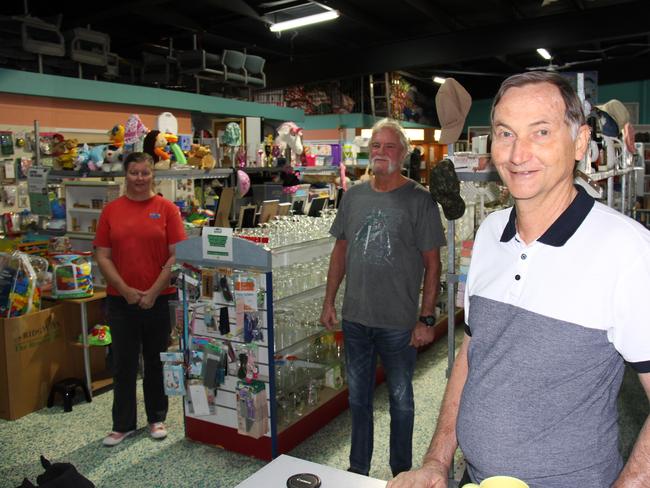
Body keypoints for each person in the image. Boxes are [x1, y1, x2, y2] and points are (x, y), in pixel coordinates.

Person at [389, 71, 650, 488]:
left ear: (580, 142)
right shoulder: (491, 234)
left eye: (541, 132)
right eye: (505, 133)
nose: (517, 153)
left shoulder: (629, 251)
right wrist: (437, 460)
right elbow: (473, 355)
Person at [320, 118, 446, 477]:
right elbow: (339, 252)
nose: (381, 152)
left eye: (390, 147)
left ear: (403, 154)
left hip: (398, 323)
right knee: (358, 400)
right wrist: (329, 301)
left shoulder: (420, 201)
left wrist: (425, 319)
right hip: (356, 317)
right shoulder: (354, 196)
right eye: (376, 145)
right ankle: (356, 470)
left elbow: (432, 265)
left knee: (401, 403)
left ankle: (401, 473)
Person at [94, 152, 186, 446]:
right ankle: (122, 424)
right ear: (126, 175)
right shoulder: (111, 211)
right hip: (121, 301)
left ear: (152, 175)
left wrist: (154, 290)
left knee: (156, 360)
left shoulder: (167, 209)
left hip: (159, 299)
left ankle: (156, 418)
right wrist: (125, 289)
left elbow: (176, 254)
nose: (139, 178)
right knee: (123, 364)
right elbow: (102, 255)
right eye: (134, 172)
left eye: (145, 172)